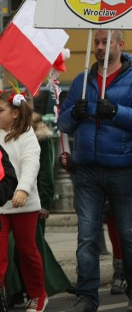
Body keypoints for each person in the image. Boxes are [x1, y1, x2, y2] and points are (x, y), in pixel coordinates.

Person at [58, 29, 132, 312]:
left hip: (122, 168)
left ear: (120, 45)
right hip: (88, 170)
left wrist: (115, 111)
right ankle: (87, 295)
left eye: (105, 42)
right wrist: (73, 115)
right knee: (86, 236)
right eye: (97, 43)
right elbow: (63, 124)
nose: (100, 47)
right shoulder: (82, 80)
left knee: (129, 233)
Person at [0, 91, 44, 312]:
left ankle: (37, 294)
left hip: (22, 203)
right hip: (0, 203)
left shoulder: (27, 136)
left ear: (15, 113)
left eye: (0, 111)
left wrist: (23, 190)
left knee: (27, 251)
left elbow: (30, 164)